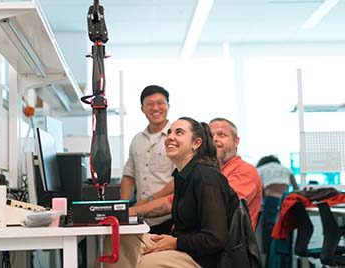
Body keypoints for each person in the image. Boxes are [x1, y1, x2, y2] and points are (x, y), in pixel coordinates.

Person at [105, 117, 239, 268]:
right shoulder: (183, 176)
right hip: (183, 246)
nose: (170, 137)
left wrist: (176, 242)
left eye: (179, 133)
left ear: (196, 143)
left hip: (203, 259)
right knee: (117, 238)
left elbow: (216, 238)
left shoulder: (206, 177)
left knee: (146, 263)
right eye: (169, 132)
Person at [130, 117, 263, 230]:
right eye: (211, 136)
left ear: (236, 141)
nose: (215, 139)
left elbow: (217, 207)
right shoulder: (207, 170)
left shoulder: (245, 172)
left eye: (222, 135)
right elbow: (169, 202)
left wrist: (176, 242)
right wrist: (130, 211)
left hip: (220, 253)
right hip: (187, 241)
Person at [120, 85, 174, 234]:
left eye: (160, 103)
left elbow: (179, 179)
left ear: (168, 106)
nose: (155, 108)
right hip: (141, 217)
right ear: (142, 109)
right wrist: (123, 207)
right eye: (149, 104)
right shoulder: (137, 139)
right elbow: (128, 175)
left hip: (168, 217)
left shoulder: (175, 138)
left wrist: (150, 200)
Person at [256, 155, 298, 266]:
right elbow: (296, 189)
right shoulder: (286, 169)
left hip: (271, 202)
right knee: (283, 234)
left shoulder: (261, 169)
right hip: (286, 203)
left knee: (270, 236)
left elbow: (258, 191)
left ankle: (270, 263)